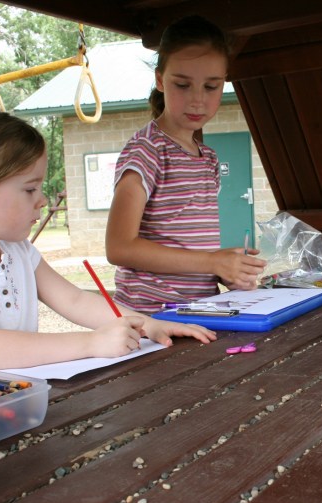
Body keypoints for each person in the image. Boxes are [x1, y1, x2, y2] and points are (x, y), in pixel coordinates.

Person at [0, 104, 216, 371]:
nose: (42, 199)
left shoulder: (18, 251)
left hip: (7, 409)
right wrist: (90, 343)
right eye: (29, 189)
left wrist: (148, 323)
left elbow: (76, 301)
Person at [105, 15, 266, 314]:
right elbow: (119, 247)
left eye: (211, 86)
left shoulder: (207, 158)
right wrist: (211, 261)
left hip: (197, 311)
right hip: (148, 318)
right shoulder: (146, 151)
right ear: (159, 80)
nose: (197, 100)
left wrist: (224, 268)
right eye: (182, 84)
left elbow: (187, 247)